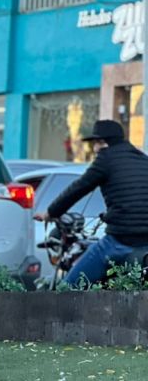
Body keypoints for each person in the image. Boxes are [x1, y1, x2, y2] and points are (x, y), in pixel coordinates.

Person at [35, 119, 148, 287]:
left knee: (70, 286)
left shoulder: (106, 158)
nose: (94, 149)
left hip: (120, 239)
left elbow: (78, 188)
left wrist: (51, 213)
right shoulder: (143, 160)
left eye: (94, 144)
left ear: (102, 143)